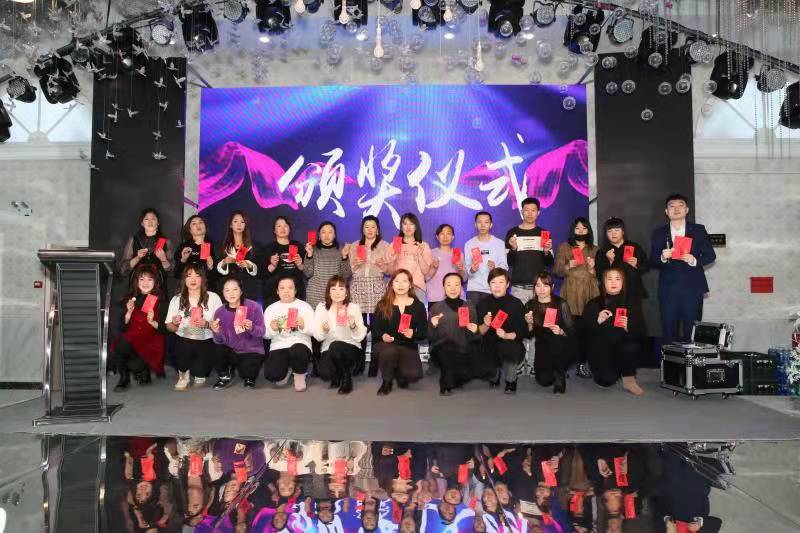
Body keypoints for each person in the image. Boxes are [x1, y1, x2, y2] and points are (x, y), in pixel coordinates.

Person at [649, 194, 716, 344]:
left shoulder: (698, 230)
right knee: (669, 330)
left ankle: (691, 359)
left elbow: (711, 255)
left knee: (692, 330)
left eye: (680, 205)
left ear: (687, 210)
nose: (676, 209)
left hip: (693, 287)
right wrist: (662, 257)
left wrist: (694, 260)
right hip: (668, 289)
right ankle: (670, 359)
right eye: (672, 206)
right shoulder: (659, 232)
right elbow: (652, 260)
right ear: (666, 211)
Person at [582, 268, 645, 395]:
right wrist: (597, 321)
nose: (613, 282)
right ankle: (599, 367)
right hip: (602, 350)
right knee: (605, 381)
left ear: (623, 282)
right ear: (603, 283)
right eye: (609, 279)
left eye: (617, 279)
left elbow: (641, 330)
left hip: (623, 347)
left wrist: (628, 326)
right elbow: (583, 330)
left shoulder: (631, 303)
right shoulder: (594, 303)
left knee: (632, 344)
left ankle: (628, 378)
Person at [553, 217, 600, 379]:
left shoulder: (595, 249)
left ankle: (582, 364)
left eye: (584, 228)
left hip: (590, 292)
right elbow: (557, 270)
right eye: (577, 228)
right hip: (571, 292)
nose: (581, 231)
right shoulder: (564, 247)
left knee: (588, 331)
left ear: (588, 230)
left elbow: (602, 274)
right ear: (573, 230)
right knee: (568, 330)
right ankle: (564, 365)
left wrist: (594, 269)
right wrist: (569, 265)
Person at [165, 266, 223, 391]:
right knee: (182, 345)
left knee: (200, 372)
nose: (193, 279)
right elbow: (169, 327)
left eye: (197, 275)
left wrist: (207, 324)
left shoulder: (213, 297)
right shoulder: (177, 299)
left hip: (206, 339)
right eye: (189, 276)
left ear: (203, 279)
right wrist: (175, 323)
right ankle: (183, 373)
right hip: (184, 339)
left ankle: (199, 372)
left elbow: (220, 326)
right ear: (184, 280)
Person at [371, 269, 428, 395]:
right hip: (385, 345)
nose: (401, 285)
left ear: (410, 285)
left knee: (414, 375)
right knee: (389, 352)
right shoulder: (383, 304)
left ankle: (398, 370)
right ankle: (387, 381)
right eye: (396, 281)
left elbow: (424, 332)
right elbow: (375, 329)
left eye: (404, 281)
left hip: (407, 346)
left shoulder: (418, 306)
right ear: (391, 284)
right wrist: (383, 336)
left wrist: (414, 334)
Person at [113, 265, 168, 391]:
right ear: (136, 281)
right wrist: (128, 313)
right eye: (142, 279)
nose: (145, 283)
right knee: (120, 344)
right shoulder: (129, 299)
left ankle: (143, 370)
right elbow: (121, 328)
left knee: (137, 363)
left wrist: (153, 322)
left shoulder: (161, 302)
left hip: (151, 341)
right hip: (132, 339)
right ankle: (124, 378)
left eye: (150, 279)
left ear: (155, 282)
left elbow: (165, 330)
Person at [348, 215, 390, 377]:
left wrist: (384, 266)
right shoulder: (354, 246)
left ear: (377, 229)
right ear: (363, 229)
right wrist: (355, 264)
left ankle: (374, 364)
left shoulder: (385, 246)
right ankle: (358, 363)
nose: (370, 230)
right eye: (367, 227)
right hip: (358, 287)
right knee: (359, 327)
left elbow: (390, 269)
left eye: (373, 227)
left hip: (377, 287)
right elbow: (349, 270)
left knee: (377, 327)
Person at [312, 276, 367, 394]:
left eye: (341, 289)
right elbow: (317, 336)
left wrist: (353, 326)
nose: (337, 292)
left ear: (346, 293)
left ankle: (347, 378)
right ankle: (338, 373)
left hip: (351, 348)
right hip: (328, 348)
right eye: (333, 289)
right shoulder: (321, 308)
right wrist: (324, 330)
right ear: (329, 292)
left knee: (336, 345)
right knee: (325, 374)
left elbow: (361, 336)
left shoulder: (353, 308)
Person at [209, 276, 266, 389]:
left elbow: (262, 332)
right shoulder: (220, 312)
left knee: (247, 373)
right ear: (223, 293)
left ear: (241, 291)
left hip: (251, 349)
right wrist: (217, 331)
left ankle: (247, 375)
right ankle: (225, 375)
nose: (231, 293)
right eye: (227, 290)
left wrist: (252, 327)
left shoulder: (254, 307)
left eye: (235, 289)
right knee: (215, 348)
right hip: (231, 349)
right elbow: (219, 341)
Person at [524, 273, 576, 394]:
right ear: (534, 288)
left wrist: (561, 331)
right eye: (538, 286)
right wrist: (529, 324)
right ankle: (553, 370)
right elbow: (528, 335)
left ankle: (559, 375)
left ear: (552, 287)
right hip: (542, 347)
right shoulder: (530, 305)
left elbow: (572, 331)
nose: (541, 289)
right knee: (544, 381)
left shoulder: (561, 303)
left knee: (556, 340)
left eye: (545, 286)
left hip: (561, 344)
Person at [476, 268, 527, 394]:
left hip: (509, 343)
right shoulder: (482, 304)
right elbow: (478, 332)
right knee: (479, 349)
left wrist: (506, 335)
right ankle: (494, 374)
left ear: (508, 284)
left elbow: (523, 330)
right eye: (493, 282)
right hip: (489, 343)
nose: (497, 286)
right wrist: (485, 325)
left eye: (501, 282)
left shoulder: (516, 304)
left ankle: (511, 380)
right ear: (489, 285)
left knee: (510, 347)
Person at [428, 273, 480, 395]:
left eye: (457, 285)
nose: (453, 288)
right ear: (443, 287)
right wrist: (433, 325)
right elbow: (429, 337)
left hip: (463, 349)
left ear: (461, 287)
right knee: (447, 354)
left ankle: (458, 376)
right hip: (441, 348)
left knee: (460, 378)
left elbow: (475, 338)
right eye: (449, 285)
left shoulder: (469, 307)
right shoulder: (436, 308)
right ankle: (445, 385)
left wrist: (475, 331)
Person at [263, 275, 315, 391]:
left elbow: (313, 331)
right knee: (272, 375)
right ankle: (288, 369)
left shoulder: (304, 306)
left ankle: (300, 374)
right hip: (279, 345)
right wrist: (272, 328)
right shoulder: (271, 309)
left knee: (297, 350)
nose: (286, 291)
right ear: (277, 291)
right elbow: (265, 335)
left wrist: (303, 325)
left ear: (295, 290)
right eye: (282, 288)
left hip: (300, 344)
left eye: (290, 288)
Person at [504, 197, 554, 305]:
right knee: (518, 315)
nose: (530, 213)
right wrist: (513, 249)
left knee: (538, 316)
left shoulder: (544, 233)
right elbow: (508, 262)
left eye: (533, 210)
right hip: (518, 288)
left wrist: (546, 252)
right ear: (522, 211)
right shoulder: (512, 233)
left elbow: (549, 263)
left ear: (538, 212)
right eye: (526, 210)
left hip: (539, 288)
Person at [119, 208, 173, 295]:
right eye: (146, 219)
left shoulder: (165, 241)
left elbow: (172, 272)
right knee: (136, 303)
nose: (150, 222)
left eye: (153, 219)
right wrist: (138, 257)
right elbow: (123, 270)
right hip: (138, 285)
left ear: (158, 223)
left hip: (158, 285)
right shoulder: (134, 240)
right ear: (142, 223)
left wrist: (164, 260)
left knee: (158, 303)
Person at [383, 212, 435, 303]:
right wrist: (394, 258)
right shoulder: (394, 245)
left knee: (417, 312)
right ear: (401, 226)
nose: (408, 227)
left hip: (417, 289)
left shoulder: (423, 245)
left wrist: (419, 256)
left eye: (411, 224)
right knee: (395, 312)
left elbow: (426, 271)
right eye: (405, 224)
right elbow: (389, 272)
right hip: (397, 289)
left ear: (416, 227)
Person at [303, 221, 353, 310]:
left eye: (330, 232)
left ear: (334, 235)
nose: (326, 235)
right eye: (323, 232)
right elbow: (307, 273)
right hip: (315, 296)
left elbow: (346, 275)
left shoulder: (341, 251)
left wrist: (344, 257)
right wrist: (309, 255)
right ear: (319, 235)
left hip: (335, 296)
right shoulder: (312, 250)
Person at [464, 212, 509, 308]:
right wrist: (472, 269)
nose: (483, 225)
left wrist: (495, 268)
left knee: (492, 317)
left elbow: (505, 267)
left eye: (486, 222)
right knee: (473, 316)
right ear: (475, 224)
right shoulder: (469, 244)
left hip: (493, 289)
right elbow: (467, 269)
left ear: (491, 225)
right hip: (474, 289)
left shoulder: (499, 243)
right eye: (479, 222)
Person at [263, 216, 306, 307]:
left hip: (295, 292)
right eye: (279, 226)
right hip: (273, 294)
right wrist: (272, 265)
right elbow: (262, 273)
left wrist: (300, 264)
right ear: (274, 230)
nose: (282, 229)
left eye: (285, 226)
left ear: (290, 229)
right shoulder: (268, 248)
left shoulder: (298, 246)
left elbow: (306, 270)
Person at [216, 211, 259, 299]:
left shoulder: (253, 245)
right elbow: (215, 269)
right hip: (228, 286)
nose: (239, 225)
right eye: (235, 221)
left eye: (242, 222)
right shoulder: (221, 245)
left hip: (247, 287)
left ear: (245, 225)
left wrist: (248, 265)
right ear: (230, 225)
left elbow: (259, 267)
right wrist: (224, 262)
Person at [427, 224, 467, 307]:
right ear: (437, 237)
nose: (445, 237)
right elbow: (426, 278)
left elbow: (464, 278)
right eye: (442, 234)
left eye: (448, 233)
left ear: (453, 237)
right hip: (436, 298)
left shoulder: (458, 253)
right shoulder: (431, 253)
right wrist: (433, 268)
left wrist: (460, 270)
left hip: (456, 297)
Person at [174, 214, 216, 285]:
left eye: (200, 222)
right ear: (189, 230)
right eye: (194, 223)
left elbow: (219, 275)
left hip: (208, 286)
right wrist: (183, 260)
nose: (198, 225)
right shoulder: (184, 247)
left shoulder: (214, 246)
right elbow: (176, 274)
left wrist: (210, 267)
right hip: (188, 287)